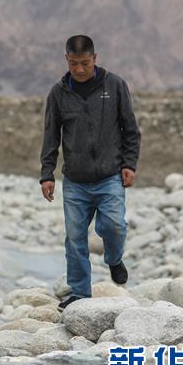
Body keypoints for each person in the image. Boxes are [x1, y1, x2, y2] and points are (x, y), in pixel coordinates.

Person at [39, 35, 141, 310]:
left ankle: (113, 259)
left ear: (95, 59)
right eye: (74, 64)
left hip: (110, 177)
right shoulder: (58, 93)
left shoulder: (115, 86)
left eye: (85, 63)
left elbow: (130, 129)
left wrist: (129, 164)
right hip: (75, 181)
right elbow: (51, 136)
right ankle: (80, 294)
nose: (80, 70)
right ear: (66, 61)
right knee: (74, 239)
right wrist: (47, 173)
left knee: (114, 226)